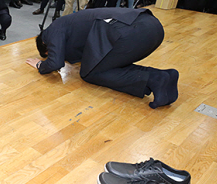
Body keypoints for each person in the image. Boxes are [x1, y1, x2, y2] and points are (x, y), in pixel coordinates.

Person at [27, 8, 179, 109]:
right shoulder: (72, 23)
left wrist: (41, 65)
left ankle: (155, 79)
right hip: (151, 27)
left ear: (45, 46)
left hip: (129, 32)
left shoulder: (52, 30)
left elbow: (55, 62)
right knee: (104, 65)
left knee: (91, 73)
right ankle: (164, 78)